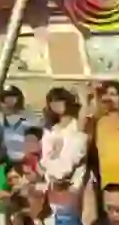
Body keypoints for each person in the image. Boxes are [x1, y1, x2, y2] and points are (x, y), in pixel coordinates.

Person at [40, 88, 87, 225]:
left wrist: (81, 94)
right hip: (53, 184)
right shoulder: (51, 129)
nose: (56, 105)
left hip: (73, 184)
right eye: (52, 102)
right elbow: (46, 157)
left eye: (60, 100)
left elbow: (77, 152)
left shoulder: (75, 125)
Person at [91, 80, 119, 199]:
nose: (109, 98)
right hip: (108, 178)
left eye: (113, 94)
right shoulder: (100, 122)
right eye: (106, 94)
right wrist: (94, 95)